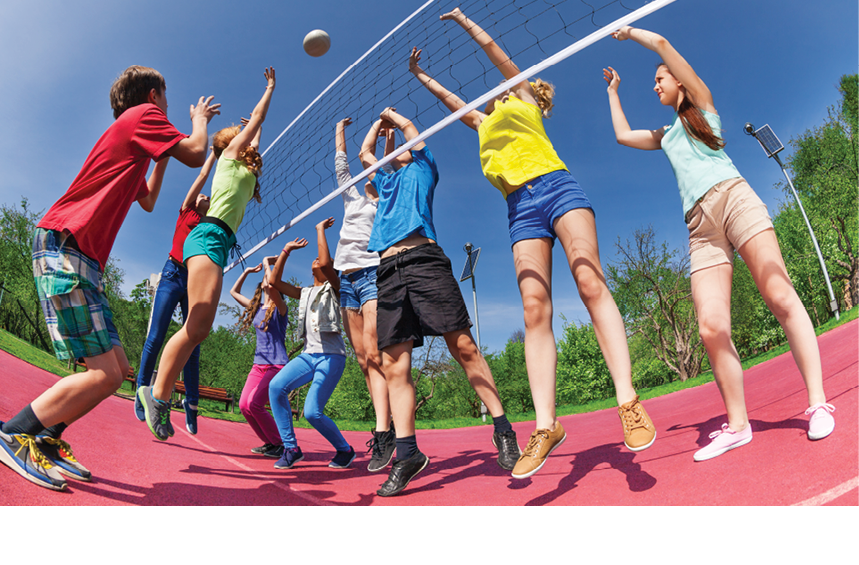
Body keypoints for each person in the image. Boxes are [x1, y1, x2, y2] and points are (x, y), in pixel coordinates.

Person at [409, 8, 656, 479]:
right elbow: (450, 100)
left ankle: (627, 399)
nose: (497, 89)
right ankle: (546, 426)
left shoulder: (522, 97)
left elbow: (496, 53)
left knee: (589, 280)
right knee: (534, 309)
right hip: (519, 208)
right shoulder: (483, 123)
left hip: (557, 188)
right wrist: (421, 74)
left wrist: (463, 20)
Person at [602, 26, 835, 461]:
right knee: (710, 326)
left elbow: (666, 47)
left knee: (779, 292)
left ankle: (818, 402)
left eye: (659, 79)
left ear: (677, 81)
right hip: (699, 228)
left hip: (734, 198)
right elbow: (621, 136)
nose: (655, 86)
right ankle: (739, 426)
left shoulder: (703, 108)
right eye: (653, 81)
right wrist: (614, 91)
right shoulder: (664, 136)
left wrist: (631, 33)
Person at [0, 65, 219, 490]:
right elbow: (194, 150)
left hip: (80, 256)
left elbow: (150, 201)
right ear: (153, 95)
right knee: (104, 373)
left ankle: (46, 436)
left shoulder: (136, 138)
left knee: (116, 368)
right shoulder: (142, 116)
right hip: (69, 245)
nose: (170, 105)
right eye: (168, 98)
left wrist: (161, 157)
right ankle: (14, 432)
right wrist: (200, 122)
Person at [360, 107, 521, 497]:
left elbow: (413, 133)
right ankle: (408, 453)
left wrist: (393, 117)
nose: (393, 153)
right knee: (394, 365)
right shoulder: (385, 182)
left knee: (462, 345)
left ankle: (504, 431)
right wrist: (376, 127)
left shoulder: (422, 169)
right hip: (387, 272)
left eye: (400, 149)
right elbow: (366, 152)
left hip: (424, 260)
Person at [138, 67, 276, 441]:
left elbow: (256, 143)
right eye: (245, 138)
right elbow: (257, 121)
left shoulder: (246, 171)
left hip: (219, 242)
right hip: (208, 235)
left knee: (199, 330)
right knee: (194, 327)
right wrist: (269, 89)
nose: (249, 143)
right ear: (235, 144)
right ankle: (157, 395)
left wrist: (257, 132)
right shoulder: (229, 156)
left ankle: (159, 395)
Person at [332, 117, 398, 472]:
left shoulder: (384, 200)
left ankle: (384, 431)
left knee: (375, 352)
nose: (371, 177)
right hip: (347, 280)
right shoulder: (351, 199)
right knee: (362, 359)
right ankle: (384, 429)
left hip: (373, 275)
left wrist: (388, 138)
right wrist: (338, 128)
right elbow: (342, 164)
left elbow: (386, 163)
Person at [134, 149, 216, 434]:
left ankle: (191, 406)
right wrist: (215, 153)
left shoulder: (209, 226)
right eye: (201, 194)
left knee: (193, 343)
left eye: (208, 195)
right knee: (156, 335)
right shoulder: (187, 211)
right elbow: (204, 175)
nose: (204, 194)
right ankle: (141, 390)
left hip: (194, 280)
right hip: (172, 273)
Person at [266, 219, 356, 470]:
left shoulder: (336, 287)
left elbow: (326, 263)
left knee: (312, 412)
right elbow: (273, 282)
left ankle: (345, 450)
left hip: (331, 356)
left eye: (320, 261)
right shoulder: (304, 292)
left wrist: (319, 230)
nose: (316, 261)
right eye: (313, 261)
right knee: (276, 387)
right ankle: (291, 448)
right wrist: (286, 250)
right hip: (309, 355)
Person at [231, 259, 292, 459]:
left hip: (276, 365)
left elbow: (270, 284)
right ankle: (270, 442)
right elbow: (233, 292)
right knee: (244, 405)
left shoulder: (281, 309)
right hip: (258, 365)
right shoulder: (256, 309)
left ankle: (280, 444)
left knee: (255, 403)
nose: (266, 282)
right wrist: (247, 271)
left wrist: (267, 263)